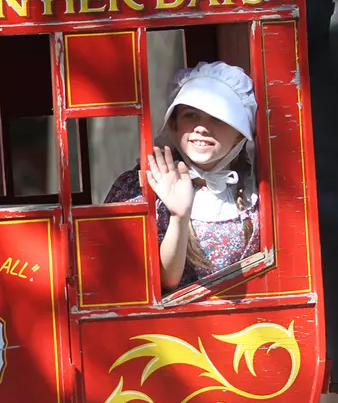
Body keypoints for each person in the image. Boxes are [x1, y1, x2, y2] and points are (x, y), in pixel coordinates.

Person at [105, 61, 260, 290]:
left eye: (218, 118)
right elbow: (161, 282)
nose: (202, 128)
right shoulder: (135, 189)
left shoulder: (257, 190)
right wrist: (179, 215)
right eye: (191, 116)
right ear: (174, 125)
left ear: (239, 135)